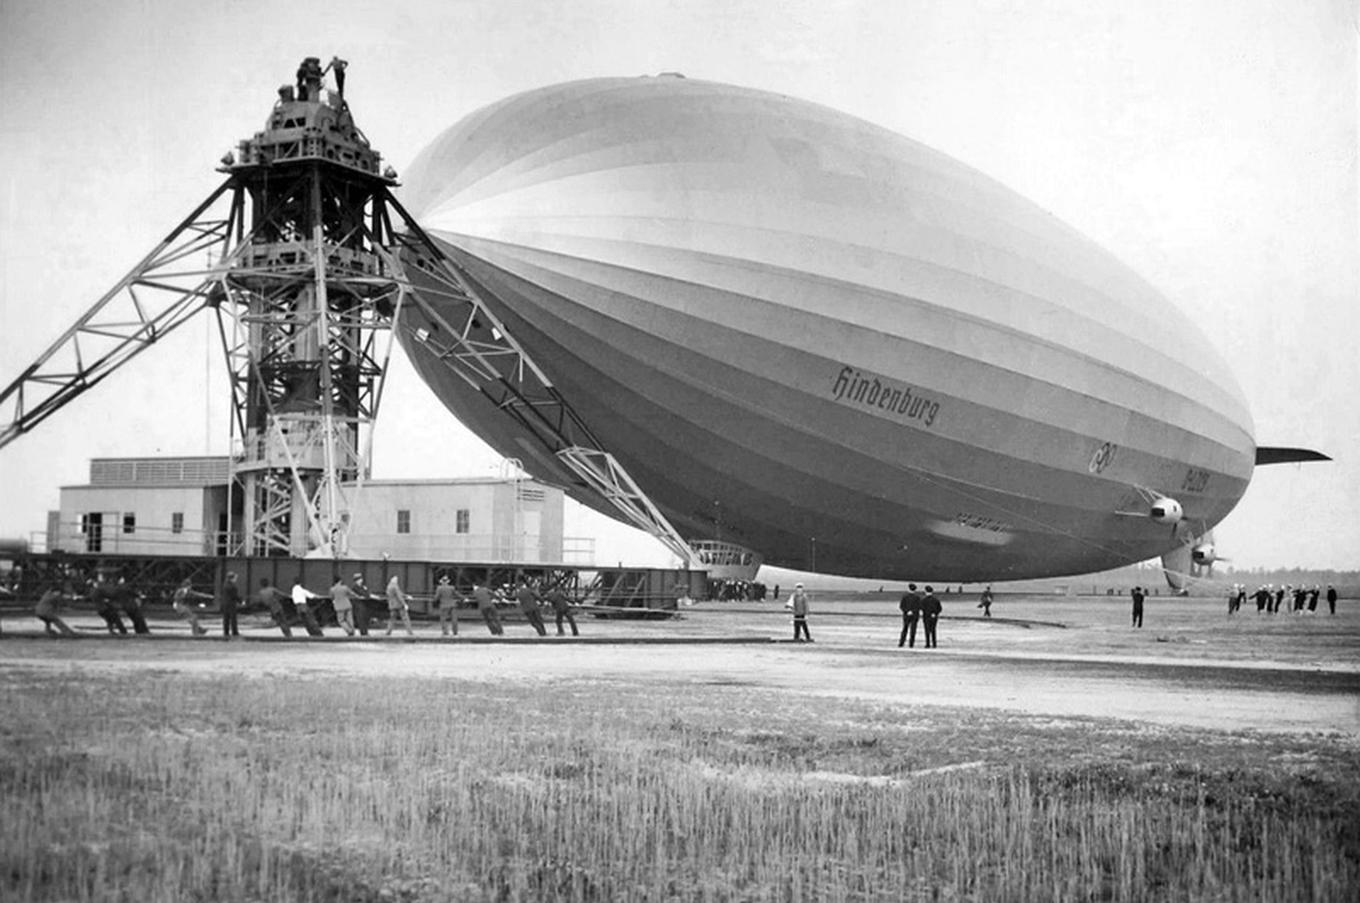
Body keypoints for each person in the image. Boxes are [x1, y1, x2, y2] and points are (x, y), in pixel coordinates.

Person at [220, 572, 243, 639]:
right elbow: (234, 596)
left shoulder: (225, 585)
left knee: (226, 618)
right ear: (232, 578)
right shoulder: (232, 586)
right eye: (235, 578)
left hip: (225, 603)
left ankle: (226, 632)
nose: (236, 579)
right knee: (233, 619)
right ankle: (235, 632)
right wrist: (241, 601)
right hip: (231, 604)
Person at [898, 583, 922, 648]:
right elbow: (919, 607)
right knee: (913, 630)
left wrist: (907, 611)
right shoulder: (917, 598)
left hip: (906, 615)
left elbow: (901, 606)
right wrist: (913, 611)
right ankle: (911, 644)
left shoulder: (905, 597)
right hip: (915, 615)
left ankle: (901, 643)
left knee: (905, 629)